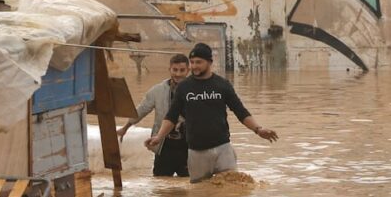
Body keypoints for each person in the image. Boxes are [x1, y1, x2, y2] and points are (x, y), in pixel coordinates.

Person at [145, 42, 278, 182]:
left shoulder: (222, 85)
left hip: (223, 148)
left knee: (231, 188)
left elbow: (241, 112)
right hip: (196, 152)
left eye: (199, 62)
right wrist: (159, 137)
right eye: (192, 62)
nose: (194, 66)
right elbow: (171, 117)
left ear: (210, 62)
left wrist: (258, 129)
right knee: (200, 195)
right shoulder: (184, 87)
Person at [118, 54, 190, 177]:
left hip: (188, 146)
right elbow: (141, 110)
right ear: (169, 69)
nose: (178, 74)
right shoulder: (158, 90)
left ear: (188, 70)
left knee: (191, 185)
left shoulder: (195, 90)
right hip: (164, 145)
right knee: (160, 185)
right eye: (175, 70)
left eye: (182, 70)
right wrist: (125, 128)